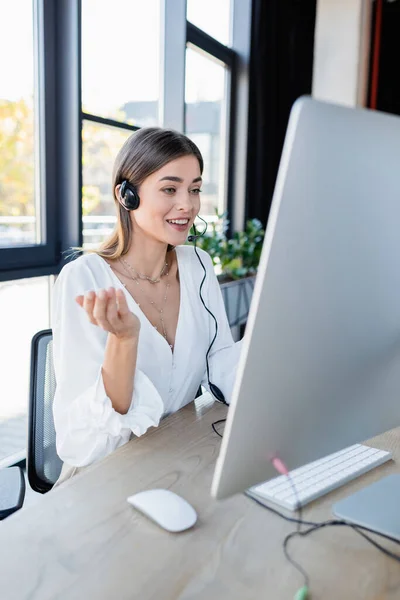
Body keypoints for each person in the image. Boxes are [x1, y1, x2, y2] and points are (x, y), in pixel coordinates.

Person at [52, 127, 242, 486]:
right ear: (127, 196)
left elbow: (221, 370)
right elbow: (84, 442)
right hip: (104, 473)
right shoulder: (84, 279)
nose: (187, 204)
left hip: (176, 456)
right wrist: (124, 341)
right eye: (170, 189)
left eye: (195, 189)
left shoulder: (198, 265)